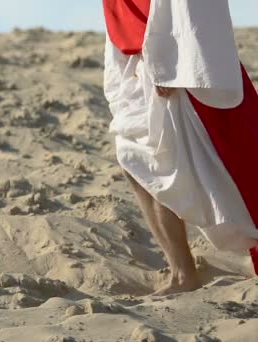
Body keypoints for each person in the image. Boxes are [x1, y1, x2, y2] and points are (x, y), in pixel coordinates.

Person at [102, 0, 258, 296]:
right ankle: (181, 271)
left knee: (165, 163)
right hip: (135, 58)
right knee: (134, 162)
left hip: (173, 58)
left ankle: (183, 275)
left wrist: (174, 60)